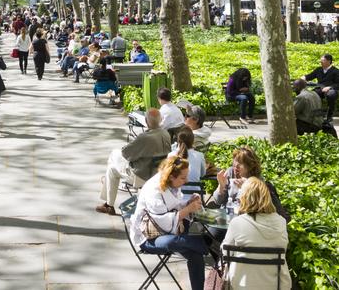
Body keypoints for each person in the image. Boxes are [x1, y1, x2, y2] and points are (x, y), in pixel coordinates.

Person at [130, 156, 208, 290]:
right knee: (173, 242)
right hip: (148, 237)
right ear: (171, 176)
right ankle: (206, 245)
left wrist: (188, 203)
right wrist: (188, 209)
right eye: (183, 178)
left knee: (196, 254)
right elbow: (162, 222)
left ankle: (202, 247)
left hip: (169, 232)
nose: (186, 181)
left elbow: (175, 205)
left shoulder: (171, 183)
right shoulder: (153, 190)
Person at [96, 108, 171, 215]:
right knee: (113, 164)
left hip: (142, 176)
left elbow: (126, 153)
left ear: (146, 121)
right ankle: (107, 191)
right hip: (158, 173)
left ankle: (109, 203)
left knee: (113, 164)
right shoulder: (166, 134)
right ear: (160, 120)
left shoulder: (145, 137)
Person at [221, 177, 292, 289]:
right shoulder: (281, 222)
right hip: (274, 285)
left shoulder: (237, 223)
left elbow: (225, 252)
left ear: (244, 198)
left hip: (241, 285)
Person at [210, 146, 289, 221]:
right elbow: (218, 201)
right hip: (226, 216)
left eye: (240, 164)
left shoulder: (256, 181)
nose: (235, 167)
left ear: (250, 166)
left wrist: (246, 188)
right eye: (234, 162)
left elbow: (258, 206)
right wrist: (221, 186)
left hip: (247, 219)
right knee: (210, 233)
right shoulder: (230, 172)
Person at [304, 53, 339, 121]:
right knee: (311, 95)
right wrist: (303, 78)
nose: (321, 62)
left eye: (323, 60)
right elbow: (309, 76)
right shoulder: (318, 69)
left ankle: (329, 116)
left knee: (331, 95)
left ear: (329, 61)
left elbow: (338, 84)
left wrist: (330, 87)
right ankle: (315, 115)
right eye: (321, 60)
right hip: (320, 89)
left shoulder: (336, 71)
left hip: (332, 89)